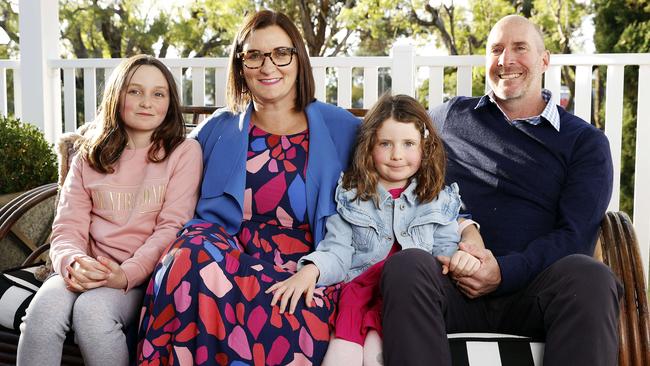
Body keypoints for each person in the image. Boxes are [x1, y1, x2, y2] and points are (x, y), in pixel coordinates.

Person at [379, 15, 621, 366]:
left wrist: (504, 272)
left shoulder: (584, 143)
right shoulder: (450, 118)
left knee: (592, 277)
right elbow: (391, 146)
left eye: (520, 48)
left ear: (544, 60)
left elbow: (576, 235)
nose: (506, 60)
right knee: (406, 267)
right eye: (496, 50)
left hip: (535, 290)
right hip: (452, 280)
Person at [135, 10, 362, 365]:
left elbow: (406, 173)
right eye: (254, 55)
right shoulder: (220, 128)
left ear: (298, 59)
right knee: (188, 253)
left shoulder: (341, 128)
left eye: (280, 53)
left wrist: (462, 226)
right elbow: (157, 164)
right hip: (225, 256)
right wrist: (93, 153)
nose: (268, 66)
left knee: (289, 314)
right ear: (240, 66)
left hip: (302, 267)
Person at [267, 93, 484, 366]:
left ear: (424, 148)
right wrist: (311, 270)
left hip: (406, 300)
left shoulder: (437, 199)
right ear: (369, 146)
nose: (397, 155)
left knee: (377, 351)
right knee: (342, 354)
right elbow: (337, 249)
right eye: (385, 144)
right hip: (361, 293)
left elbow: (444, 253)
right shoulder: (351, 196)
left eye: (408, 144)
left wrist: (460, 259)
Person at [16, 54, 202, 366]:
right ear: (117, 96)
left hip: (140, 277)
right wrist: (75, 264)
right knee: (42, 312)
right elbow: (66, 228)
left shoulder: (183, 152)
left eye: (158, 94)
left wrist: (124, 275)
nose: (147, 102)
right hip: (83, 269)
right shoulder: (88, 154)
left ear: (170, 102)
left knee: (93, 312)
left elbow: (172, 229)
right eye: (135, 91)